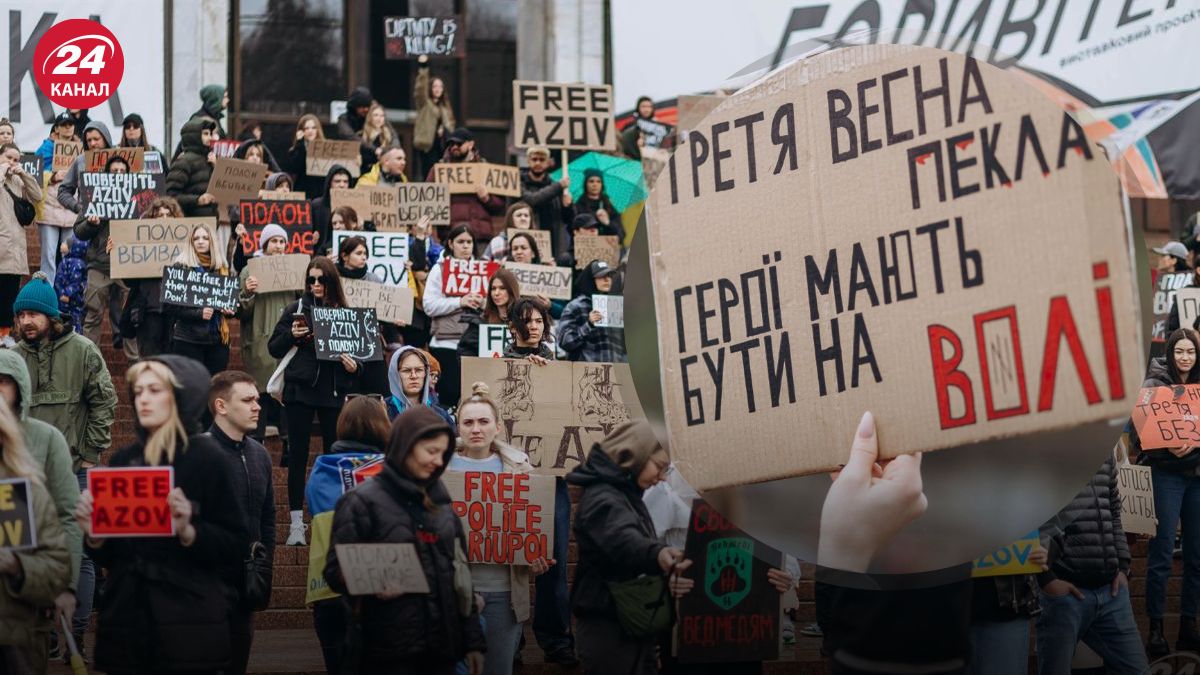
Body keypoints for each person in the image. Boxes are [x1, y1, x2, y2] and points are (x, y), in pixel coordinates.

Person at [73, 356, 248, 673]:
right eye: (138, 391)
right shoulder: (125, 460)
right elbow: (115, 556)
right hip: (126, 626)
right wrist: (95, 535)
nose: (143, 399)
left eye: (154, 390)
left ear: (180, 396)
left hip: (187, 624)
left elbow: (235, 545)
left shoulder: (207, 459)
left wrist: (189, 532)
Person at [324, 405, 486, 674]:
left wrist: (473, 643)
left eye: (443, 454)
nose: (437, 460)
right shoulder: (360, 503)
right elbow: (333, 571)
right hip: (385, 653)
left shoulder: (443, 507)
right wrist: (374, 580)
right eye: (431, 451)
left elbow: (462, 580)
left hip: (441, 654)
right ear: (405, 446)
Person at [12, 273, 116, 657]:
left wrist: (91, 452)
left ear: (51, 315)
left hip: (75, 471)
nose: (26, 322)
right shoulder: (14, 357)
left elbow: (105, 402)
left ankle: (75, 636)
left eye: (33, 315)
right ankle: (46, 635)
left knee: (82, 556)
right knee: (26, 551)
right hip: (24, 475)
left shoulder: (83, 350)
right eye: (21, 315)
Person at [567, 419, 689, 674]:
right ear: (636, 454)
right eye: (660, 466)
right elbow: (623, 539)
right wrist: (657, 554)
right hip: (609, 629)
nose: (662, 477)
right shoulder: (604, 497)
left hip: (628, 622)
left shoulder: (624, 493)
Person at [448, 383, 553, 675]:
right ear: (458, 427)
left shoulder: (520, 470)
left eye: (483, 421)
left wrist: (535, 557)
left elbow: (531, 529)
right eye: (468, 422)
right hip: (452, 592)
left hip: (504, 595)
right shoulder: (439, 469)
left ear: (497, 427)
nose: (476, 428)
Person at [268, 257, 362, 546]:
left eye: (322, 279)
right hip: (300, 391)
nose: (316, 285)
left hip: (332, 392)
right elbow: (273, 347)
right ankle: (297, 523)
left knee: (335, 457)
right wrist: (292, 337)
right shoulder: (295, 310)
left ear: (332, 281)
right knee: (297, 457)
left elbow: (363, 356)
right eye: (311, 280)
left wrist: (353, 367)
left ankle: (334, 521)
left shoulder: (346, 313)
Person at [0, 350, 82, 666]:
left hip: (26, 600)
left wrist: (67, 586)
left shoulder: (46, 438)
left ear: (20, 387)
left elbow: (68, 516)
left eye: (3, 382)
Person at [1036, 453, 1148, 675]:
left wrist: (1123, 567)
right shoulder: (1044, 449)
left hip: (1112, 593)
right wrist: (1047, 580)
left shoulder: (1103, 451)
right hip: (1065, 595)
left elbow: (1115, 511)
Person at [309, 395, 391, 674]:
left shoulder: (321, 470)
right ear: (383, 427)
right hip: (382, 587)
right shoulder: (396, 473)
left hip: (328, 587)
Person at [206, 370, 276, 675]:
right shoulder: (197, 453)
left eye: (257, 400)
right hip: (205, 588)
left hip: (247, 587)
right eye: (247, 400)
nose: (257, 407)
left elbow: (269, 517)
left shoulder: (260, 455)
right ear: (221, 406)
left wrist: (264, 567)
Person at [1136, 327, 1200, 656]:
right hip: (1166, 477)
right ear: (1171, 353)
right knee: (1161, 555)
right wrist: (1167, 448)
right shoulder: (1153, 385)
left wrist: (1194, 448)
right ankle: (1156, 630)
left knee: (1196, 556)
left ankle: (1188, 626)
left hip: (1197, 478)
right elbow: (1137, 435)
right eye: (1180, 352)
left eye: (1191, 352)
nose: (1185, 357)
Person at [238, 223, 298, 442]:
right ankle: (256, 439)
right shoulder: (249, 270)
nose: (279, 246)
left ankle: (288, 446)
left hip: (287, 338)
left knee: (286, 393)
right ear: (265, 243)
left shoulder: (294, 268)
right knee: (260, 392)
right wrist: (247, 292)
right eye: (274, 241)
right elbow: (241, 311)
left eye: (282, 241)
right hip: (259, 339)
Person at [72, 155, 134, 356]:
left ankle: (136, 364)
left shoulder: (138, 198)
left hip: (129, 266)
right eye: (114, 171)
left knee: (131, 316)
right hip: (99, 265)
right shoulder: (94, 196)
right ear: (107, 175)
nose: (118, 175)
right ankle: (91, 363)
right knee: (92, 315)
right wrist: (92, 223)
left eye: (122, 172)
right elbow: (78, 231)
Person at [423, 223, 483, 408]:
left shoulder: (484, 270)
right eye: (461, 241)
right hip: (445, 343)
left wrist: (483, 304)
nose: (465, 246)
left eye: (469, 242)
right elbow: (429, 306)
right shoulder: (439, 270)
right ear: (450, 244)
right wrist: (459, 302)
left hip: (476, 345)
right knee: (449, 396)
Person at [166, 222, 235, 374]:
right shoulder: (180, 267)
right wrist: (198, 313)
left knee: (215, 388)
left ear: (212, 241)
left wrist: (229, 310)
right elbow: (168, 307)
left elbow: (230, 304)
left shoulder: (221, 268)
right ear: (191, 242)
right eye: (196, 238)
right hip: (188, 340)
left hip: (218, 340)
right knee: (192, 389)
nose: (201, 241)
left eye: (205, 238)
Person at [121, 197, 186, 357]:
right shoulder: (140, 245)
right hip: (148, 310)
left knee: (172, 362)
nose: (164, 219)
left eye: (168, 215)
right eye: (159, 215)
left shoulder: (186, 243)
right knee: (150, 360)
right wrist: (116, 256)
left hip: (175, 309)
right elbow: (128, 281)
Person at [427, 128, 504, 250]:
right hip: (451, 237)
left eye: (459, 144)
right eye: (451, 144)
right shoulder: (439, 171)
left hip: (480, 238)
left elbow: (499, 207)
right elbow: (427, 202)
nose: (454, 147)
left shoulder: (485, 169)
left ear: (471, 144)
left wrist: (487, 198)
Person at [0, 144, 42, 344]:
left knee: (10, 294)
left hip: (16, 245)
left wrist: (24, 175)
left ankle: (5, 334)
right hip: (1, 243)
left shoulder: (17, 180)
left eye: (17, 159)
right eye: (9, 157)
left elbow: (37, 196)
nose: (13, 162)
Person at [34, 112, 80, 283]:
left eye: (71, 124)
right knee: (48, 256)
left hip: (70, 208)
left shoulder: (81, 150)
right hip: (49, 208)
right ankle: (46, 296)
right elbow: (34, 176)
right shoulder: (44, 149)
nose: (68, 127)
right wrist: (52, 176)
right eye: (64, 124)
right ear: (57, 128)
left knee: (68, 255)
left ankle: (65, 298)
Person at [558, 260, 625, 363]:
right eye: (601, 276)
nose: (607, 279)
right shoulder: (575, 307)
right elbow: (564, 342)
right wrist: (588, 325)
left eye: (609, 275)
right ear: (591, 280)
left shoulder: (617, 306)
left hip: (615, 374)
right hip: (587, 374)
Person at [519, 147, 573, 261]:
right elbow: (533, 200)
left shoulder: (556, 185)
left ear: (548, 162)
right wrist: (558, 187)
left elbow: (568, 219)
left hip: (554, 240)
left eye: (542, 160)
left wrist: (567, 206)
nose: (538, 163)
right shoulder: (520, 183)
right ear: (528, 161)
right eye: (534, 159)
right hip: (528, 239)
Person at [458, 268, 521, 359]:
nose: (496, 293)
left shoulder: (524, 321)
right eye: (493, 288)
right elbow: (465, 352)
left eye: (502, 288)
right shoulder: (480, 322)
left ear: (512, 290)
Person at [165, 117, 219, 219]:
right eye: (205, 134)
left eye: (210, 134)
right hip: (190, 222)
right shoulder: (184, 161)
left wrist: (216, 167)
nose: (210, 138)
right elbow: (171, 195)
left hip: (210, 222)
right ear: (195, 136)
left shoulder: (210, 159)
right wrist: (198, 200)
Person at [55, 120, 111, 217]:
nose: (92, 143)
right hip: (87, 222)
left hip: (115, 221)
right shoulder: (80, 161)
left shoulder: (119, 160)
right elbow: (63, 192)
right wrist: (77, 207)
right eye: (89, 140)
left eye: (96, 139)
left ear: (105, 138)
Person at [386, 345, 454, 424]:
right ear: (395, 374)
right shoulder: (383, 411)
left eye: (419, 370)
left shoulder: (440, 415)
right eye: (406, 371)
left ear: (426, 373)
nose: (414, 376)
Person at [413, 55, 456, 180]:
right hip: (427, 146)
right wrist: (423, 68)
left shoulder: (445, 108)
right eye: (435, 86)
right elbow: (420, 89)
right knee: (428, 175)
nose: (438, 89)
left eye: (440, 86)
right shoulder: (425, 104)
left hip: (442, 148)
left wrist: (445, 130)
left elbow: (451, 125)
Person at [574, 169, 625, 247]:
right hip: (586, 250)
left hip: (607, 250)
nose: (595, 184)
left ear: (602, 184)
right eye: (591, 181)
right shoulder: (578, 206)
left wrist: (608, 223)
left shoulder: (609, 206)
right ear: (585, 184)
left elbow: (621, 237)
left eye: (598, 181)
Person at [312, 164, 355, 256]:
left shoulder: (356, 205)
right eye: (337, 181)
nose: (342, 185)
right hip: (322, 255)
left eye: (345, 181)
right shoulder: (317, 205)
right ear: (329, 183)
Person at [286, 113, 327, 197]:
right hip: (302, 193)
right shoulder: (295, 150)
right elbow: (295, 168)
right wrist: (300, 145)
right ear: (301, 131)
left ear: (317, 130)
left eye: (313, 128)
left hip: (320, 194)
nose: (310, 131)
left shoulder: (326, 149)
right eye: (307, 128)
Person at [503, 297, 553, 363]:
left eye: (539, 321)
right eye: (527, 321)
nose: (534, 327)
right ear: (512, 327)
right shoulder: (499, 366)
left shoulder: (559, 366)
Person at [54, 232, 88, 330]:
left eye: (66, 243)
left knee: (75, 320)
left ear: (73, 248)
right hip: (62, 296)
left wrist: (67, 294)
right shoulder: (67, 260)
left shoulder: (77, 264)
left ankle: (77, 337)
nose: (62, 245)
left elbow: (76, 283)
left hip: (72, 300)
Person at [358, 101, 400, 172]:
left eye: (382, 116)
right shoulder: (361, 134)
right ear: (370, 117)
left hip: (382, 173)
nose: (379, 118)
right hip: (365, 171)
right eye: (376, 115)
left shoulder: (388, 134)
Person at [335, 86, 375, 152]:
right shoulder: (344, 119)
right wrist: (374, 148)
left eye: (368, 106)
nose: (366, 109)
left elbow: (391, 133)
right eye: (362, 106)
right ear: (355, 106)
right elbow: (349, 136)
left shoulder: (373, 117)